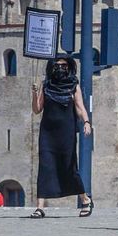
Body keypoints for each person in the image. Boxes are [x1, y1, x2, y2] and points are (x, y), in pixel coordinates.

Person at [31, 54, 93, 217]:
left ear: (69, 68)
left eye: (64, 66)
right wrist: (34, 92)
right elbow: (37, 109)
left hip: (67, 132)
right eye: (57, 65)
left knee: (69, 165)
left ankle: (85, 199)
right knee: (45, 166)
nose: (60, 68)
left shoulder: (73, 85)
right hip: (47, 132)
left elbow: (80, 107)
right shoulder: (47, 85)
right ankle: (40, 207)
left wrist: (86, 122)